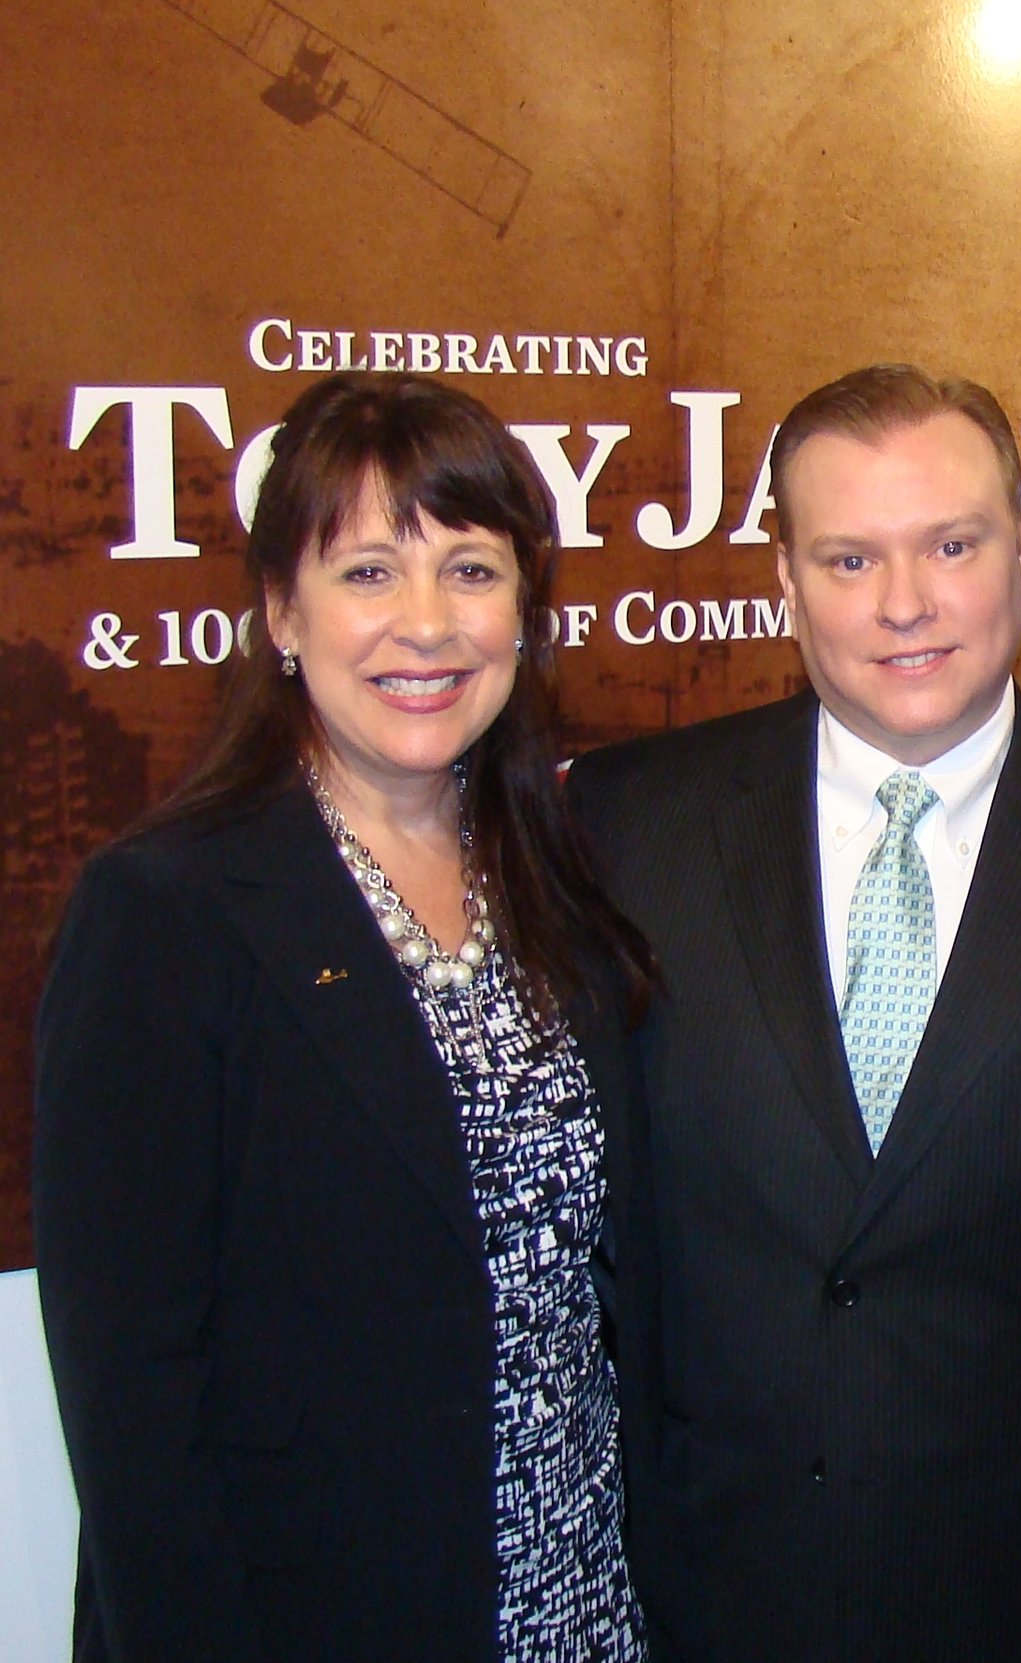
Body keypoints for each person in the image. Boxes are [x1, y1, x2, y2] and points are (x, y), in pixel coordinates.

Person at [568, 364, 1021, 1662]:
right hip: (701, 1608)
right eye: (849, 557)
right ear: (785, 578)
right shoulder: (625, 825)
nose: (905, 603)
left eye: (952, 543)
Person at [34, 372, 660, 1663]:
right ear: (279, 611)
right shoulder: (167, 911)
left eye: (471, 571)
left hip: (586, 1603)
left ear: (526, 610)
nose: (425, 626)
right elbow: (134, 1405)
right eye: (368, 572)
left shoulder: (572, 879)